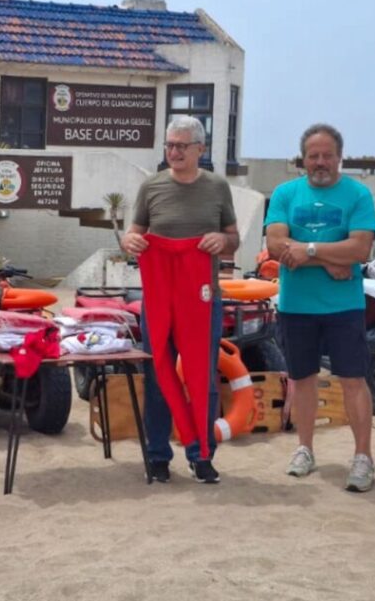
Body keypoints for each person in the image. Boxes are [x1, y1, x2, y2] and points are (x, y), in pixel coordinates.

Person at [120, 115, 239, 484]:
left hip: (204, 297)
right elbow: (133, 234)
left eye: (181, 146)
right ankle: (158, 456)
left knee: (203, 377)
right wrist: (130, 242)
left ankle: (201, 454)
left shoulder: (218, 187)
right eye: (169, 145)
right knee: (158, 375)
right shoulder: (151, 187)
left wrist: (223, 242)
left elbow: (233, 237)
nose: (173, 152)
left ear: (200, 150)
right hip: (159, 296)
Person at [265, 123, 375, 492]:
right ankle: (305, 448)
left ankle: (363, 457)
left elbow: (361, 249)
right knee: (302, 380)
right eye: (313, 156)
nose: (320, 162)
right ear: (304, 159)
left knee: (353, 380)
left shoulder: (358, 194)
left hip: (343, 306)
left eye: (327, 155)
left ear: (339, 157)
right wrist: (331, 260)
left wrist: (310, 251)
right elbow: (277, 246)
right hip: (297, 305)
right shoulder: (285, 193)